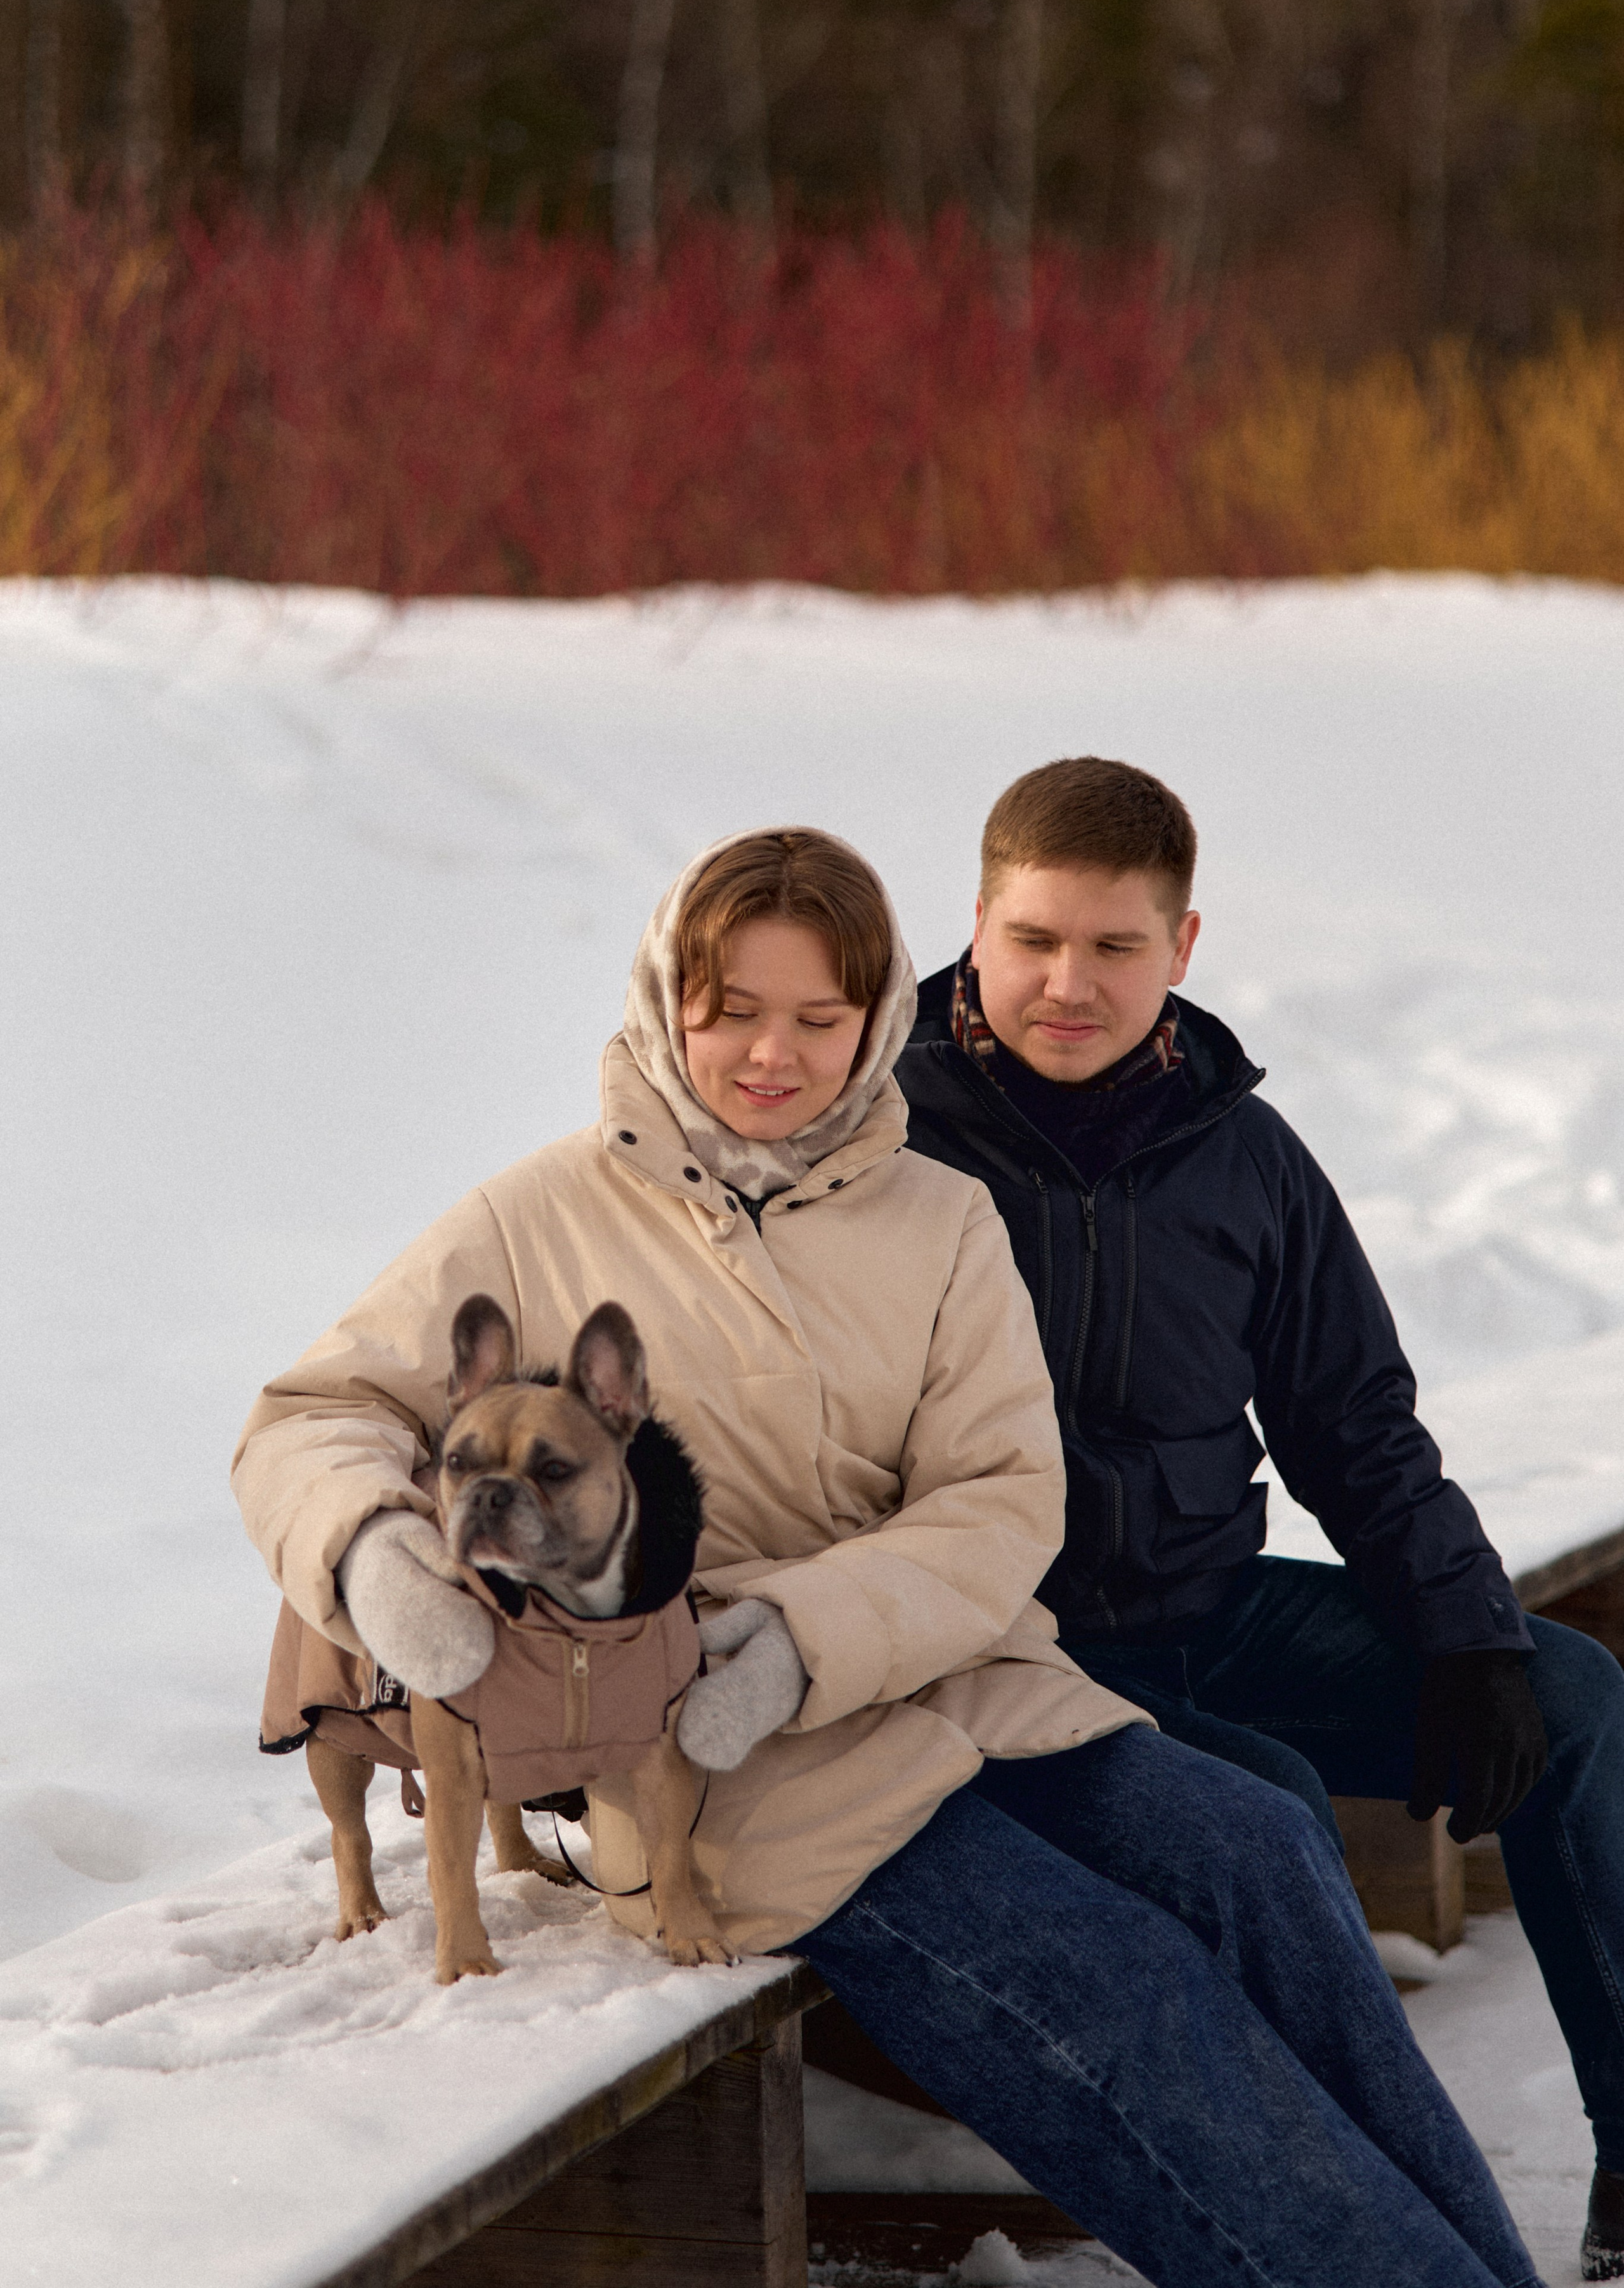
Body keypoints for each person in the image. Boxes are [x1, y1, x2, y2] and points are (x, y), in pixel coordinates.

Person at [235, 825, 1543, 2288]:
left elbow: (998, 1498)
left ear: (879, 1020)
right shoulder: (539, 1215)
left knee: (1262, 1849)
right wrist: (374, 1555)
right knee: (1116, 1984)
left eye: (817, 1017)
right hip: (707, 1753)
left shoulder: (938, 1216)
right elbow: (315, 1412)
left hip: (947, 1680)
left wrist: (811, 1631)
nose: (769, 1056)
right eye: (728, 1009)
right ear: (667, 999)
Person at [896, 754, 1624, 2283]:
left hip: (1210, 1616)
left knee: (1572, 1701)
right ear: (973, 925)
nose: (1066, 985)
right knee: (1272, 1806)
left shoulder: (1241, 1156)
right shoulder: (886, 1138)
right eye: (1031, 941)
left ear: (1183, 946)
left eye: (1113, 947)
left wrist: (1469, 1640)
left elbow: (1352, 1428)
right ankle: (1348, 2226)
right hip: (1012, 1660)